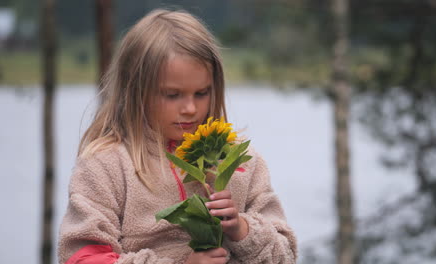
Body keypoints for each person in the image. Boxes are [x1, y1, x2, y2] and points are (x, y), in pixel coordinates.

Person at [58, 9, 297, 264]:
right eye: (172, 95)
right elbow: (82, 257)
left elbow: (286, 255)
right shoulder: (105, 166)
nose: (190, 109)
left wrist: (242, 229)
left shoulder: (243, 164)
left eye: (202, 93)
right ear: (136, 92)